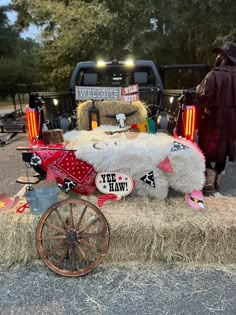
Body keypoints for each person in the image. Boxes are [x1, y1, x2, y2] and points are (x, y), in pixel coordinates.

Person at [196, 41, 236, 194]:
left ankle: (208, 182)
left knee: (207, 147)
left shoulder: (213, 75)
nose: (218, 57)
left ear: (225, 57)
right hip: (233, 123)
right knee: (225, 150)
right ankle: (217, 180)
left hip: (213, 120)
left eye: (220, 54)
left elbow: (203, 96)